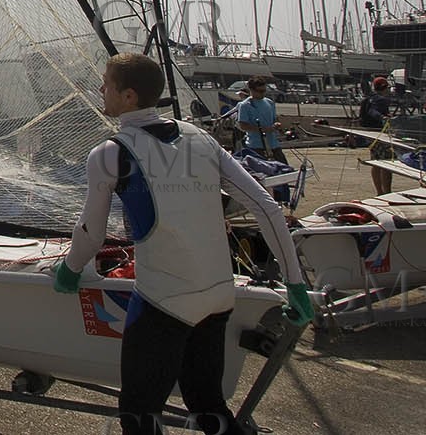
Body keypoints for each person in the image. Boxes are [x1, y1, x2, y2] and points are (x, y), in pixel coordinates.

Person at [53, 53, 313, 435]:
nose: (100, 89)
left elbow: (90, 233)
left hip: (164, 303)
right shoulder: (200, 138)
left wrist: (69, 270)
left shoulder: (111, 153)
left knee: (140, 412)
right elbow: (267, 208)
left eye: (106, 83)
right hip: (219, 298)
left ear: (128, 96)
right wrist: (295, 284)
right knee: (207, 404)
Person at [358, 77, 395, 194]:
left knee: (376, 163)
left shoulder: (369, 98)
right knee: (386, 163)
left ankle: (379, 192)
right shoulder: (381, 100)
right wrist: (383, 117)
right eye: (388, 88)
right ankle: (387, 192)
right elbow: (373, 112)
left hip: (370, 134)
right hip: (380, 134)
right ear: (384, 88)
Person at [235, 79, 284, 157]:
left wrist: (277, 125)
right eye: (260, 91)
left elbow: (275, 119)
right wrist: (265, 129)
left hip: (274, 145)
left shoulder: (270, 102)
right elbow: (243, 125)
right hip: (256, 146)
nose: (263, 93)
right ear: (251, 90)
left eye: (264, 91)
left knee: (285, 168)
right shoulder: (245, 105)